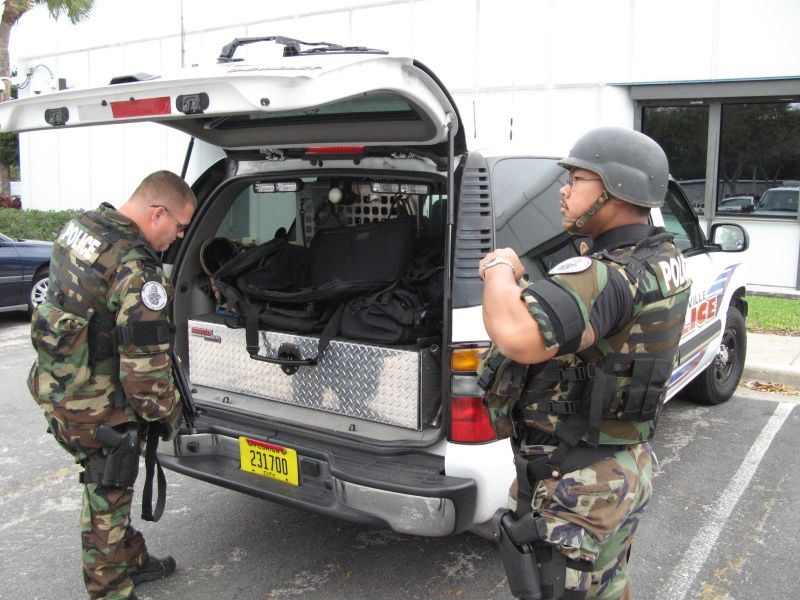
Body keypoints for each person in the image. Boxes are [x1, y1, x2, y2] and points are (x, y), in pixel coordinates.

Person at [479, 127, 691, 600]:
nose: (564, 190)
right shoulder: (660, 256)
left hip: (578, 482)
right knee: (609, 586)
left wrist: (499, 268)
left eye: (577, 178)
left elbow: (517, 335)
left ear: (616, 188)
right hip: (619, 463)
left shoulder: (608, 275)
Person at [27, 170, 196, 600]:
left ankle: (132, 557)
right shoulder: (138, 269)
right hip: (98, 406)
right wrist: (173, 417)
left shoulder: (81, 227)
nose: (178, 237)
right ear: (156, 213)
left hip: (57, 384)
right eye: (178, 226)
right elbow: (146, 374)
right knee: (108, 489)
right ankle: (110, 589)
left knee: (110, 487)